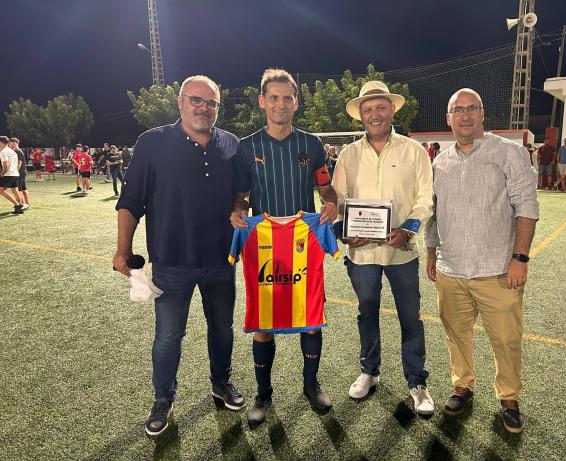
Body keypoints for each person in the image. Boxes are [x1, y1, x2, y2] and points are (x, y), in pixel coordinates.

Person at [113, 75, 246, 437]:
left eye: (212, 102)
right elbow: (130, 201)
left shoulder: (232, 143)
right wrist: (123, 249)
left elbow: (240, 194)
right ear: (180, 102)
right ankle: (162, 399)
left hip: (222, 260)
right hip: (172, 261)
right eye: (196, 100)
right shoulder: (152, 142)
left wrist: (239, 206)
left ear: (218, 107)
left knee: (222, 328)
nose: (204, 107)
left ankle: (221, 382)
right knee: (169, 335)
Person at [425, 88, 539, 433]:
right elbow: (434, 213)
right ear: (448, 118)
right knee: (456, 333)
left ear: (482, 113)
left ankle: (508, 396)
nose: (464, 115)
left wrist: (520, 257)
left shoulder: (509, 153)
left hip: (497, 270)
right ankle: (463, 385)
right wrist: (431, 252)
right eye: (457, 110)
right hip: (451, 268)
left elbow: (527, 207)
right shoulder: (439, 161)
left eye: (471, 108)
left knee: (505, 338)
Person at [231, 68, 338, 428]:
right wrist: (238, 212)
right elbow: (242, 196)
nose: (281, 104)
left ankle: (311, 384)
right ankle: (264, 395)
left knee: (309, 318)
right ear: (262, 101)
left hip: (300, 243)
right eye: (273, 98)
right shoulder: (247, 147)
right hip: (262, 246)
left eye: (287, 98)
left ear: (296, 102)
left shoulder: (310, 144)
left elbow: (325, 187)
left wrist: (331, 203)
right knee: (263, 322)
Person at [332, 80, 435, 416]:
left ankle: (417, 381)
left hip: (402, 251)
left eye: (380, 107)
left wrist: (409, 227)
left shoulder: (413, 150)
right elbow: (338, 200)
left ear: (392, 110)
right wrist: (345, 233)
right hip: (361, 253)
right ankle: (370, 371)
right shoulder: (348, 154)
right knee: (367, 313)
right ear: (360, 115)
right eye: (368, 109)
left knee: (410, 317)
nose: (374, 114)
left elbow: (425, 198)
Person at [0, 136, 24, 214]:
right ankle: (19, 208)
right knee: (15, 190)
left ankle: (17, 205)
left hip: (8, 174)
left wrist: (2, 173)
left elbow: (5, 164)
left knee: (1, 190)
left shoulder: (3, 152)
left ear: (1, 142)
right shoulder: (12, 151)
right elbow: (16, 163)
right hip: (15, 173)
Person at [9, 138, 29, 210]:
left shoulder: (17, 151)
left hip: (19, 172)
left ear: (14, 143)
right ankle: (27, 203)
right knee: (23, 188)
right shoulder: (19, 150)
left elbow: (19, 162)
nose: (9, 144)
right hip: (23, 171)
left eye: (10, 143)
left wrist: (15, 171)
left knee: (18, 189)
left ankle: (22, 205)